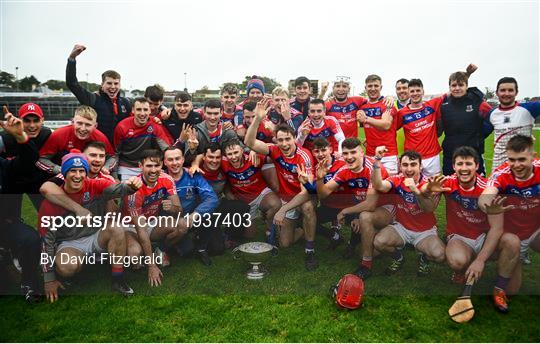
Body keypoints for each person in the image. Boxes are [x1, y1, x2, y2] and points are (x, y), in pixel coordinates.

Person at [39, 150, 142, 301]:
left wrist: (131, 186)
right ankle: (82, 265)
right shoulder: (51, 203)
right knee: (67, 267)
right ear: (64, 174)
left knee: (116, 228)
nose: (78, 175)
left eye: (82, 171)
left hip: (95, 235)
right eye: (72, 171)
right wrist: (49, 279)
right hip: (70, 243)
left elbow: (117, 189)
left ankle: (118, 279)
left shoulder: (95, 185)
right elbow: (45, 241)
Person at [245, 98, 318, 271]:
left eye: (287, 139)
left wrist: (282, 210)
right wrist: (257, 119)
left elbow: (306, 192)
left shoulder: (304, 156)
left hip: (303, 196)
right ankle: (304, 228)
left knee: (307, 207)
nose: (284, 144)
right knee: (285, 244)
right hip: (286, 198)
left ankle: (310, 249)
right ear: (276, 140)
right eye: (280, 140)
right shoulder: (275, 150)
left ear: (294, 138)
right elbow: (249, 143)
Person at [479, 135, 540, 313]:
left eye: (522, 159)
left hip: (535, 231)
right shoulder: (501, 174)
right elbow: (486, 196)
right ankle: (500, 287)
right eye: (512, 160)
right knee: (512, 290)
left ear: (533, 156)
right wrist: (487, 207)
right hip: (511, 236)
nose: (516, 165)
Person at [422, 147, 498, 284]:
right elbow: (428, 207)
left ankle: (501, 280)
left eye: (468, 164)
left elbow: (496, 228)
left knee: (509, 245)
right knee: (457, 261)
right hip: (459, 236)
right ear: (453, 166)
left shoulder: (487, 188)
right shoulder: (447, 183)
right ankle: (461, 270)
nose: (464, 168)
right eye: (459, 164)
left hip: (483, 236)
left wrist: (480, 260)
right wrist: (427, 190)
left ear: (477, 166)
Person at [316, 138, 387, 278]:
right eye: (345, 153)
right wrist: (319, 179)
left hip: (386, 209)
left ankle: (366, 265)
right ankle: (360, 243)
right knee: (362, 226)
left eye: (353, 152)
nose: (349, 157)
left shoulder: (373, 168)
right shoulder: (344, 170)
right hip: (364, 208)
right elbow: (323, 194)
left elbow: (371, 204)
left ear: (362, 152)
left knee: (366, 220)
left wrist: (345, 211)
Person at [372, 150, 446, 276]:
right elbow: (379, 186)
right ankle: (398, 257)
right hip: (402, 228)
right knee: (379, 242)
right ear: (400, 166)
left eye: (413, 164)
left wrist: (415, 190)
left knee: (440, 255)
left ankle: (424, 259)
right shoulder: (397, 179)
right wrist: (377, 161)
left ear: (420, 166)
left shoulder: (429, 184)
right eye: (405, 165)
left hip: (424, 231)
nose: (409, 168)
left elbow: (429, 209)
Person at [123, 149, 185, 284]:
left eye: (156, 165)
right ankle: (142, 254)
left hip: (151, 222)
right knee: (134, 255)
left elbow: (179, 211)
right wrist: (152, 266)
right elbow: (140, 229)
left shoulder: (167, 179)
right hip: (130, 227)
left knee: (181, 225)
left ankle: (160, 250)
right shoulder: (134, 190)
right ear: (140, 166)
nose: (153, 170)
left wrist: (172, 207)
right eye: (149, 166)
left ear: (162, 165)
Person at [0, 111, 42, 303]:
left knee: (31, 239)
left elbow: (29, 160)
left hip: (6, 225)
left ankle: (29, 283)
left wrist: (20, 136)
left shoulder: (5, 167)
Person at [163, 147, 223, 265]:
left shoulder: (192, 175)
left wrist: (195, 214)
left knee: (218, 248)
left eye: (177, 159)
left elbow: (212, 198)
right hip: (170, 221)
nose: (174, 163)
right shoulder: (159, 177)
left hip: (192, 217)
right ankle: (164, 247)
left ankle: (201, 245)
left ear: (183, 159)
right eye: (170, 160)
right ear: (164, 162)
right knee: (187, 251)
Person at [66, 44, 131, 143]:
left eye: (116, 83)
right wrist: (72, 59)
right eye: (109, 83)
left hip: (119, 150)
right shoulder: (93, 99)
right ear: (102, 85)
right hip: (96, 149)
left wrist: (162, 109)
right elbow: (72, 84)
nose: (113, 87)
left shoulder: (126, 102)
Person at [221, 139, 281, 244]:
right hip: (244, 203)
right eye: (229, 154)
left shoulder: (253, 158)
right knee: (249, 235)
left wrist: (256, 149)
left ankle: (270, 230)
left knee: (275, 204)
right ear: (225, 155)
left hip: (261, 194)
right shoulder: (223, 163)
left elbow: (276, 150)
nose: (234, 157)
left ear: (242, 150)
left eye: (236, 152)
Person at [438, 66, 492, 176]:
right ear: (449, 87)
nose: (457, 88)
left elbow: (494, 119)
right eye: (453, 85)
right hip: (450, 156)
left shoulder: (478, 102)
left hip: (473, 155)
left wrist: (479, 135)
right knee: (450, 188)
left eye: (461, 85)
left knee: (478, 189)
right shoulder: (443, 105)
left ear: (467, 86)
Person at [0, 103, 51, 216]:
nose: (32, 125)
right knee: (9, 219)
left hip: (37, 180)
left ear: (42, 120)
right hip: (12, 181)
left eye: (36, 120)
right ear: (19, 120)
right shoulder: (5, 138)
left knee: (49, 216)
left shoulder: (48, 135)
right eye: (27, 120)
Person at [38, 105, 115, 175]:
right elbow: (41, 160)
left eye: (88, 125)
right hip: (63, 177)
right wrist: (60, 170)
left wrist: (106, 167)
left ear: (95, 126)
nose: (83, 128)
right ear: (72, 122)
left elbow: (112, 157)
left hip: (91, 177)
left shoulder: (100, 137)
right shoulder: (59, 135)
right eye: (79, 123)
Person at [486, 77, 540, 170]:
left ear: (516, 92)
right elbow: (479, 134)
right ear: (497, 93)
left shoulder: (529, 109)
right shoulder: (492, 113)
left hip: (522, 166)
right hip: (499, 167)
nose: (506, 93)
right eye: (503, 90)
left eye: (510, 90)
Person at [393, 79, 444, 177]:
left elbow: (452, 91)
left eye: (418, 90)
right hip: (412, 158)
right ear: (408, 92)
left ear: (423, 91)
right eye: (412, 91)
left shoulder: (432, 105)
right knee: (412, 188)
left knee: (434, 189)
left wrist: (467, 74)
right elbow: (390, 129)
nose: (415, 93)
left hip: (432, 157)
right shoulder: (402, 113)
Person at [114, 97, 172, 180]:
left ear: (149, 111)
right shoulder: (122, 127)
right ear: (133, 110)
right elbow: (116, 153)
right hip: (127, 167)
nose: (142, 113)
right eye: (138, 109)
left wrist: (161, 167)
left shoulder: (155, 125)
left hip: (149, 166)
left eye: (145, 110)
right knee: (128, 191)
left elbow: (166, 150)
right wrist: (115, 176)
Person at [357, 74, 398, 175]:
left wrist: (366, 118)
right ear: (365, 88)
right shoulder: (362, 106)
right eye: (370, 86)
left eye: (376, 86)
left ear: (381, 87)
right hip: (370, 154)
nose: (373, 89)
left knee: (389, 186)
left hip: (388, 155)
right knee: (372, 186)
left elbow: (386, 125)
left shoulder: (387, 104)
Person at [309, 138, 346, 249]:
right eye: (316, 151)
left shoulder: (343, 163)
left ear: (330, 149)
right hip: (329, 207)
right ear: (313, 152)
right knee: (304, 220)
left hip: (347, 207)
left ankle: (352, 245)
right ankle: (333, 235)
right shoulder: (315, 168)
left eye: (323, 150)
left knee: (358, 226)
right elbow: (315, 191)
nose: (320, 154)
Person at [184, 99, 239, 168]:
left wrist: (252, 151)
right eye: (209, 113)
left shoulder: (228, 132)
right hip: (201, 172)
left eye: (215, 113)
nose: (212, 117)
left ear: (221, 113)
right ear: (204, 112)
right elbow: (186, 161)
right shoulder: (195, 132)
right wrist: (192, 150)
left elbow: (240, 149)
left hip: (223, 172)